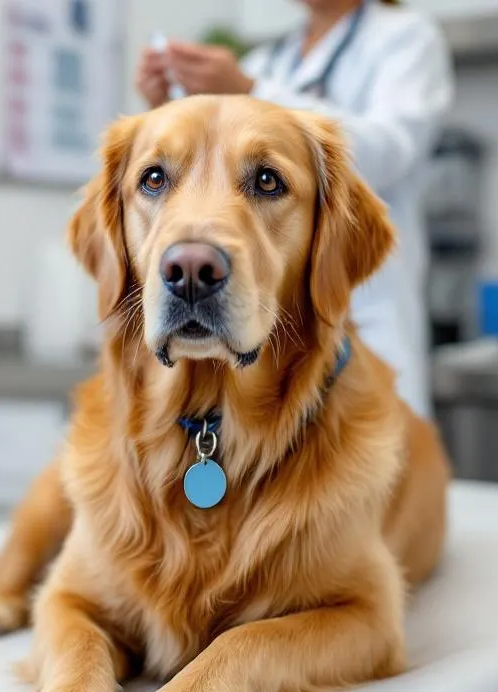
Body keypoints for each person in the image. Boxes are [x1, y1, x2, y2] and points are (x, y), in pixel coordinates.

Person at [135, 0, 453, 417]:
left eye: (267, 181)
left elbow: (390, 150)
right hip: (272, 334)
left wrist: (252, 91)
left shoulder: (405, 38)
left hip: (372, 313)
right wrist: (167, 106)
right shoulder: (269, 60)